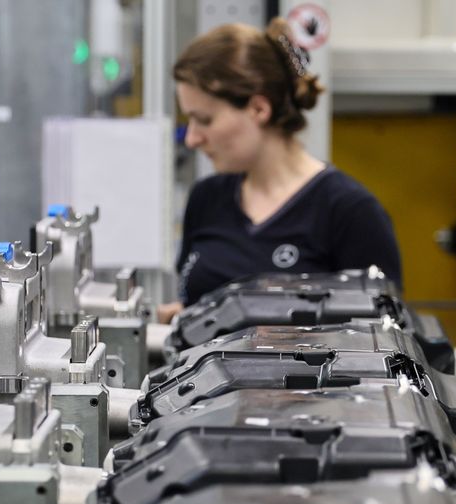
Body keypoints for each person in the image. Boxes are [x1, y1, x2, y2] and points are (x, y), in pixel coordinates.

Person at [157, 18, 402, 323]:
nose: (192, 138)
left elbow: (384, 340)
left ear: (259, 109)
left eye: (204, 120)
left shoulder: (349, 211)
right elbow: (200, 306)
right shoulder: (207, 198)